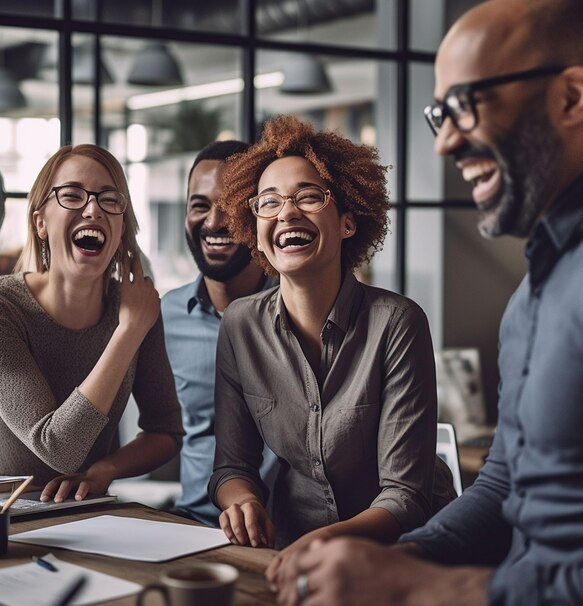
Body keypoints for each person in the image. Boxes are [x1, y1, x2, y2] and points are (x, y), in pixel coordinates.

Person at [273, 0, 583, 606]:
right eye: (440, 114)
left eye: (465, 105)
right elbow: (504, 486)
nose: (444, 143)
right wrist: (401, 563)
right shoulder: (534, 294)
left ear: (572, 97)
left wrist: (439, 594)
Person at [208, 115, 456, 578]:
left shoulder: (397, 323)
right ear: (254, 224)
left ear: (346, 222)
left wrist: (317, 544)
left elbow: (405, 495)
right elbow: (231, 466)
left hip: (401, 559)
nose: (287, 213)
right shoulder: (240, 325)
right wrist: (242, 501)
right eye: (269, 202)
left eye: (308, 196)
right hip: (289, 554)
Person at [0, 144, 183, 502]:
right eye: (72, 195)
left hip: (89, 513)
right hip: (11, 522)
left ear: (120, 226)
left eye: (109, 199)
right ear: (40, 222)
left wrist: (106, 470)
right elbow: (56, 449)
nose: (93, 208)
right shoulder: (6, 309)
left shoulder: (139, 307)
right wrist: (128, 332)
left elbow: (166, 432)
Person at [162, 140, 277, 527]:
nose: (213, 222)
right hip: (193, 526)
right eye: (199, 205)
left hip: (288, 534)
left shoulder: (300, 312)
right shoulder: (164, 316)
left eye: (230, 204)